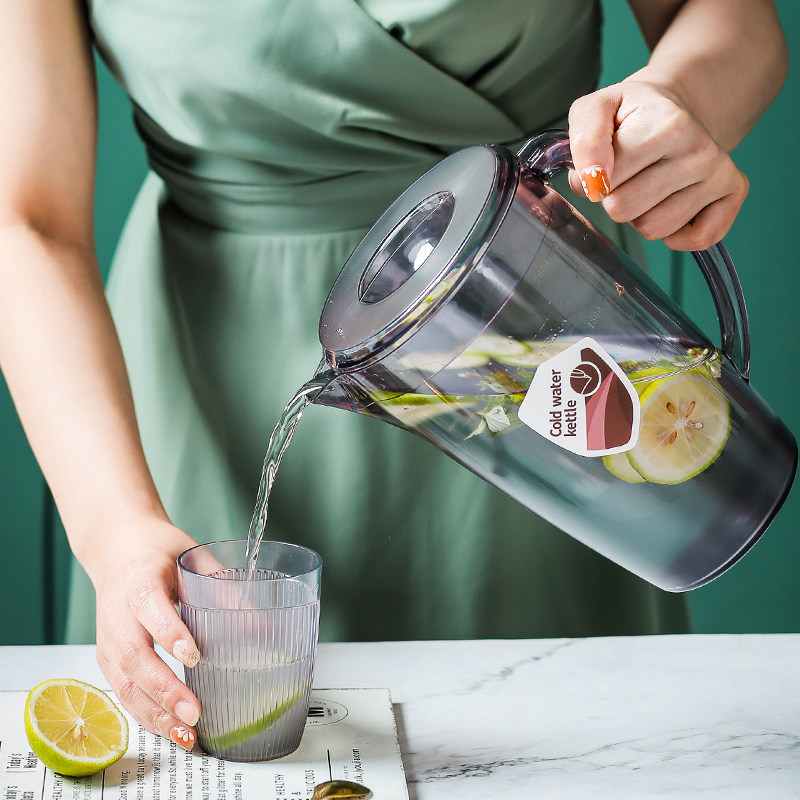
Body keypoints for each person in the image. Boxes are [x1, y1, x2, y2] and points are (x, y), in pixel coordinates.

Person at [0, 0, 787, 749]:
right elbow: (26, 220)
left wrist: (674, 103)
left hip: (540, 326)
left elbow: (736, 22)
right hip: (190, 395)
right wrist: (117, 529)